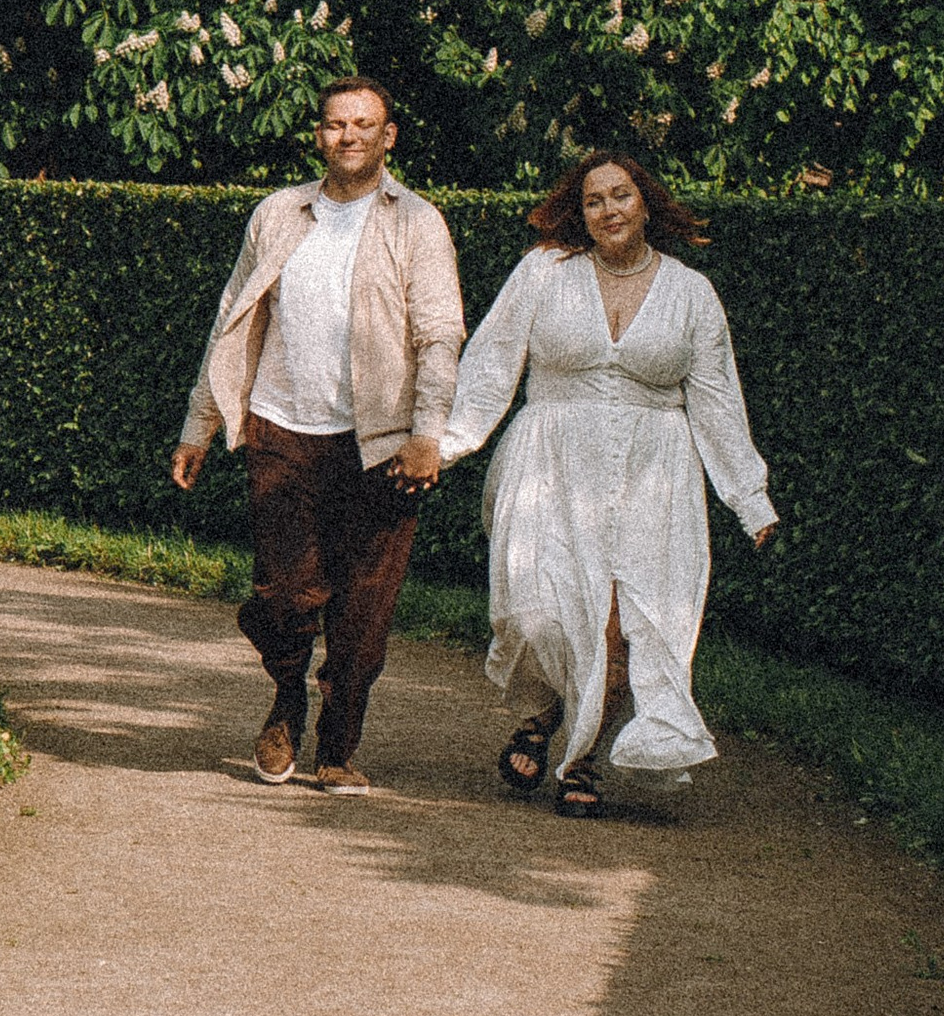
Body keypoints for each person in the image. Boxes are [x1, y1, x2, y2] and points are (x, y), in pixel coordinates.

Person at [438, 149, 777, 818]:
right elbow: (492, 362)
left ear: (645, 201)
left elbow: (717, 401)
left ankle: (580, 758)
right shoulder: (544, 272)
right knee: (535, 614)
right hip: (549, 466)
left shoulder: (690, 293)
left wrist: (749, 497)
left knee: (624, 629)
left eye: (620, 196)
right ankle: (546, 711)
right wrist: (447, 445)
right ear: (580, 213)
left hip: (655, 477)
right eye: (594, 201)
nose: (608, 211)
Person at [171, 77, 465, 793]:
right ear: (318, 135)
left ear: (389, 135)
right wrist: (200, 426)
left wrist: (429, 435)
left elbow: (440, 334)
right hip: (281, 427)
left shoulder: (416, 223)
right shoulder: (278, 214)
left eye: (365, 124)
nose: (350, 137)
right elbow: (231, 321)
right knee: (283, 592)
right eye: (336, 125)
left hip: (380, 441)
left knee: (364, 609)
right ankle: (285, 698)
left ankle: (338, 746)